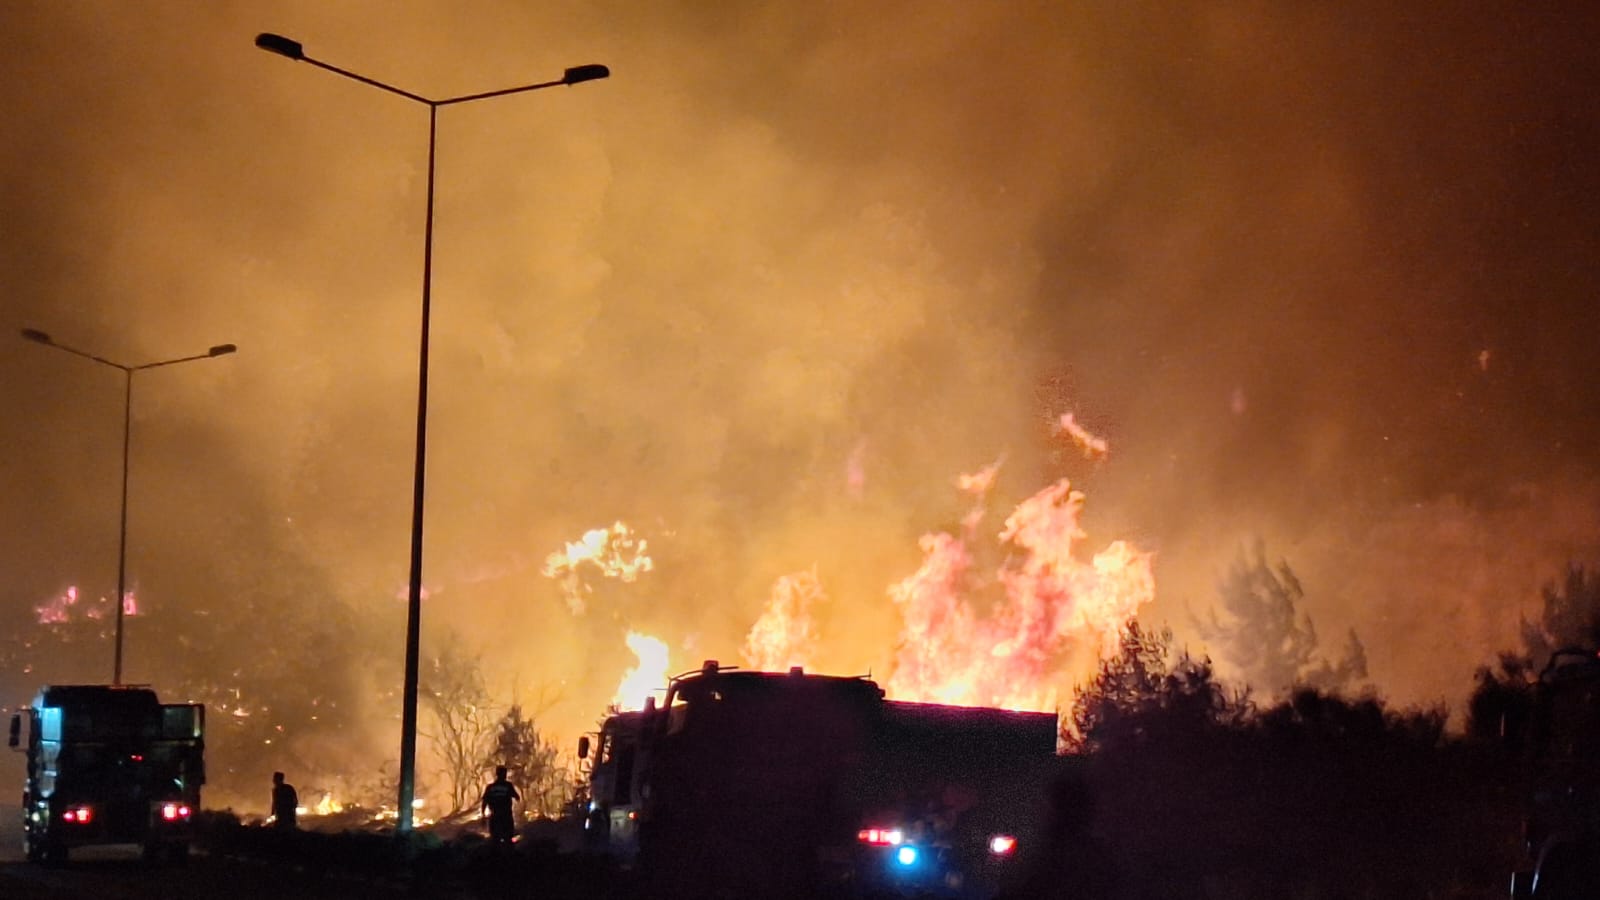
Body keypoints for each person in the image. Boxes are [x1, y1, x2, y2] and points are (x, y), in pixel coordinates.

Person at [480, 765, 521, 845]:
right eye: (504, 773)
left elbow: (485, 801)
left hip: (495, 816)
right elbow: (517, 797)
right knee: (508, 839)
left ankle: (496, 856)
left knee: (495, 840)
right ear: (503, 774)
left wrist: (483, 815)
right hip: (506, 816)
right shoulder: (508, 786)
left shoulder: (490, 787)